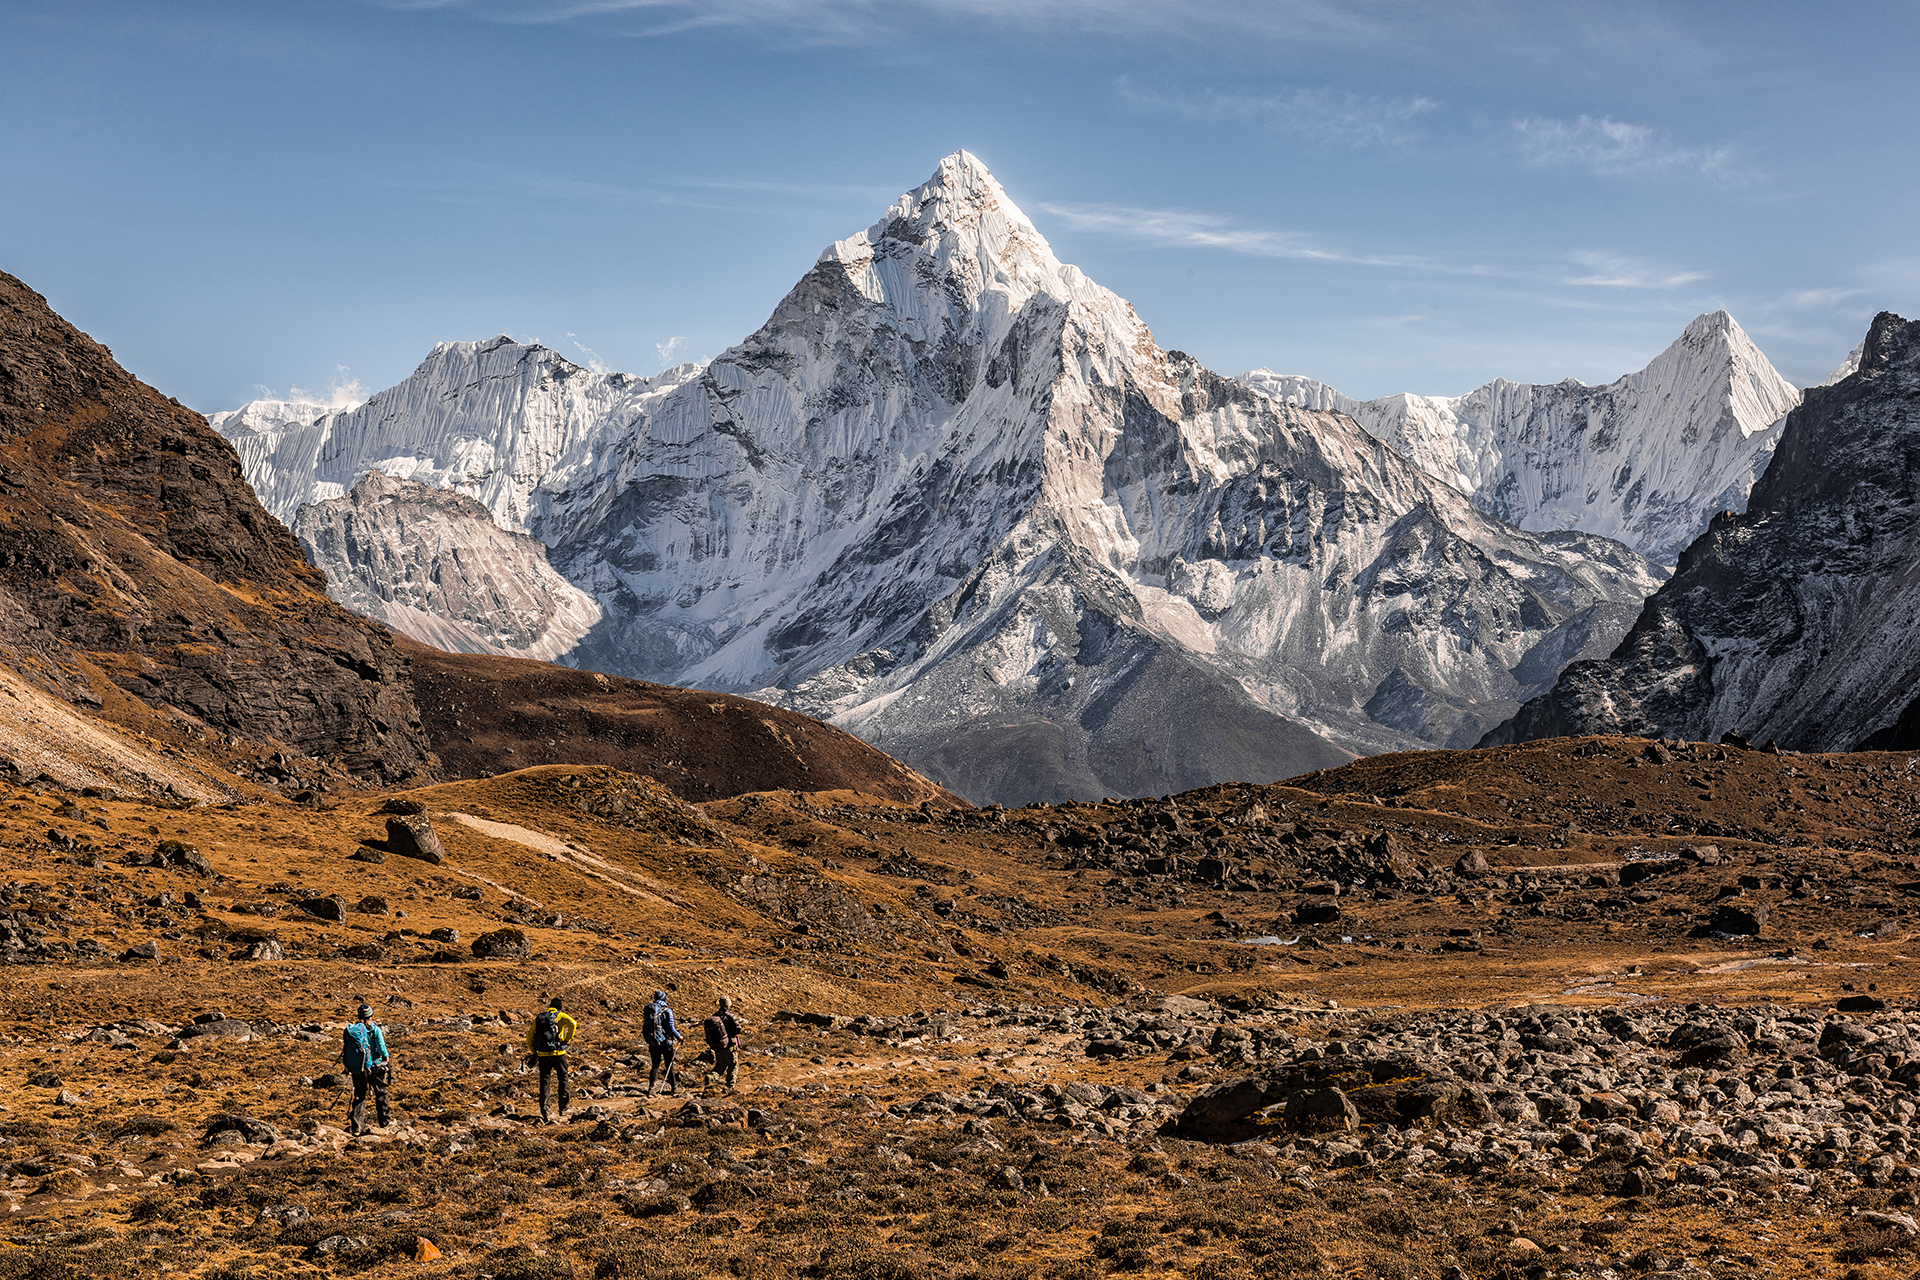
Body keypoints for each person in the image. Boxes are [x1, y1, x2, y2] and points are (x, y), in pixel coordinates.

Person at [523, 994, 577, 1123]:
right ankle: (563, 1108)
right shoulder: (561, 1016)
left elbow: (529, 1037)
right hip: (558, 1054)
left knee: (545, 1082)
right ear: (559, 1007)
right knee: (563, 1078)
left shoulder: (540, 1018)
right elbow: (573, 1024)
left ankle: (545, 1111)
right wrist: (566, 1039)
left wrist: (534, 1051)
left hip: (543, 1056)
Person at [340, 1002, 391, 1137]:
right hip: (373, 1066)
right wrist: (386, 1058)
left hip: (358, 1067)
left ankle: (357, 1127)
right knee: (380, 1092)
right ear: (371, 1015)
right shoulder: (375, 1029)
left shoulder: (354, 1030)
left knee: (359, 1095)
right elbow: (381, 1047)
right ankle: (384, 1122)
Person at [642, 989, 682, 1095]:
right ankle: (674, 1087)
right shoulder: (667, 1010)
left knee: (655, 1065)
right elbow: (671, 1028)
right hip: (666, 1042)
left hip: (653, 1042)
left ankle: (651, 1088)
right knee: (669, 1065)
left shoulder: (650, 1010)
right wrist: (679, 1036)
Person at [702, 996, 744, 1093]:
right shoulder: (730, 1016)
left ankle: (711, 1077)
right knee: (733, 1065)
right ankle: (729, 1086)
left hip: (718, 1046)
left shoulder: (715, 1016)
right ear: (729, 1005)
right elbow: (739, 1029)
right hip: (730, 1045)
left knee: (720, 1065)